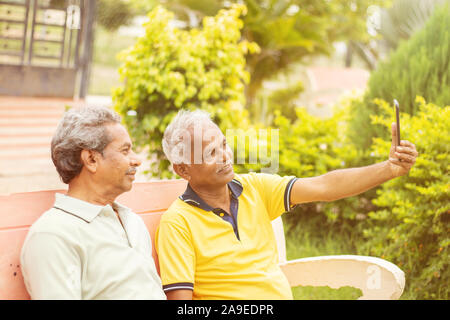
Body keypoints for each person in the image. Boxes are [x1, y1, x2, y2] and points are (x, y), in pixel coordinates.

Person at [156, 109, 418, 300]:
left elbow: (325, 186)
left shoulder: (254, 188)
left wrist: (389, 169)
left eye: (223, 144)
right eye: (211, 153)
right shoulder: (177, 224)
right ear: (183, 169)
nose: (225, 156)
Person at [20, 106, 166, 300]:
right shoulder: (53, 234)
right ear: (91, 159)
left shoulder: (131, 221)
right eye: (125, 151)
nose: (137, 160)